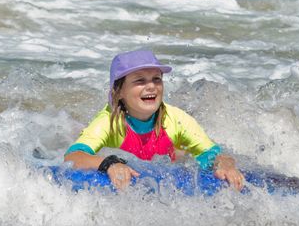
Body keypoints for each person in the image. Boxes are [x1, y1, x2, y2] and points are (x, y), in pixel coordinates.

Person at [64, 49, 244, 190]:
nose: (151, 86)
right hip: (126, 159)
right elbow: (72, 157)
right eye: (140, 80)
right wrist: (109, 163)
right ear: (118, 92)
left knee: (181, 154)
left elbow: (213, 154)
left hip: (164, 162)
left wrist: (225, 164)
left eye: (156, 79)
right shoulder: (109, 122)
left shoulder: (177, 119)